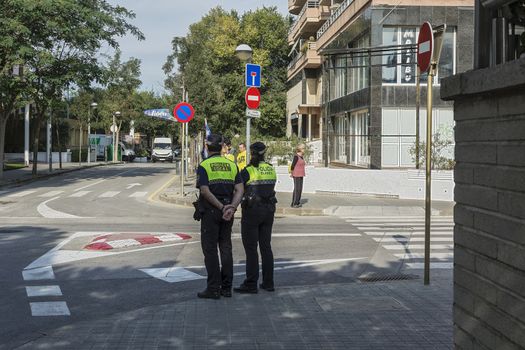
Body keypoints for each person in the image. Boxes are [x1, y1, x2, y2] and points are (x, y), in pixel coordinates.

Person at [195, 134, 243, 299]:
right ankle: (227, 288)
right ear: (223, 147)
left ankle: (214, 288)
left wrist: (222, 207)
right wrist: (232, 208)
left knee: (210, 250)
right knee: (226, 249)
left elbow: (204, 190)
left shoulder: (204, 165)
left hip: (212, 212)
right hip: (227, 213)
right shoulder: (232, 165)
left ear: (207, 147)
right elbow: (240, 189)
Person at [234, 142, 277, 294]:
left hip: (252, 213)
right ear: (265, 153)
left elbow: (237, 189)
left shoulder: (248, 171)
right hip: (269, 211)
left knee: (251, 249)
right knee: (266, 247)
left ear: (251, 153)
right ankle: (268, 283)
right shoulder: (271, 169)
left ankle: (251, 283)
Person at [290, 144, 306, 208]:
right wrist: (291, 173)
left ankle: (297, 202)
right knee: (297, 189)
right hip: (296, 175)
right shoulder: (296, 156)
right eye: (303, 148)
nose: (304, 150)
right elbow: (292, 166)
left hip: (301, 174)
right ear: (300, 149)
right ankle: (294, 203)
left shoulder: (302, 156)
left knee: (300, 189)